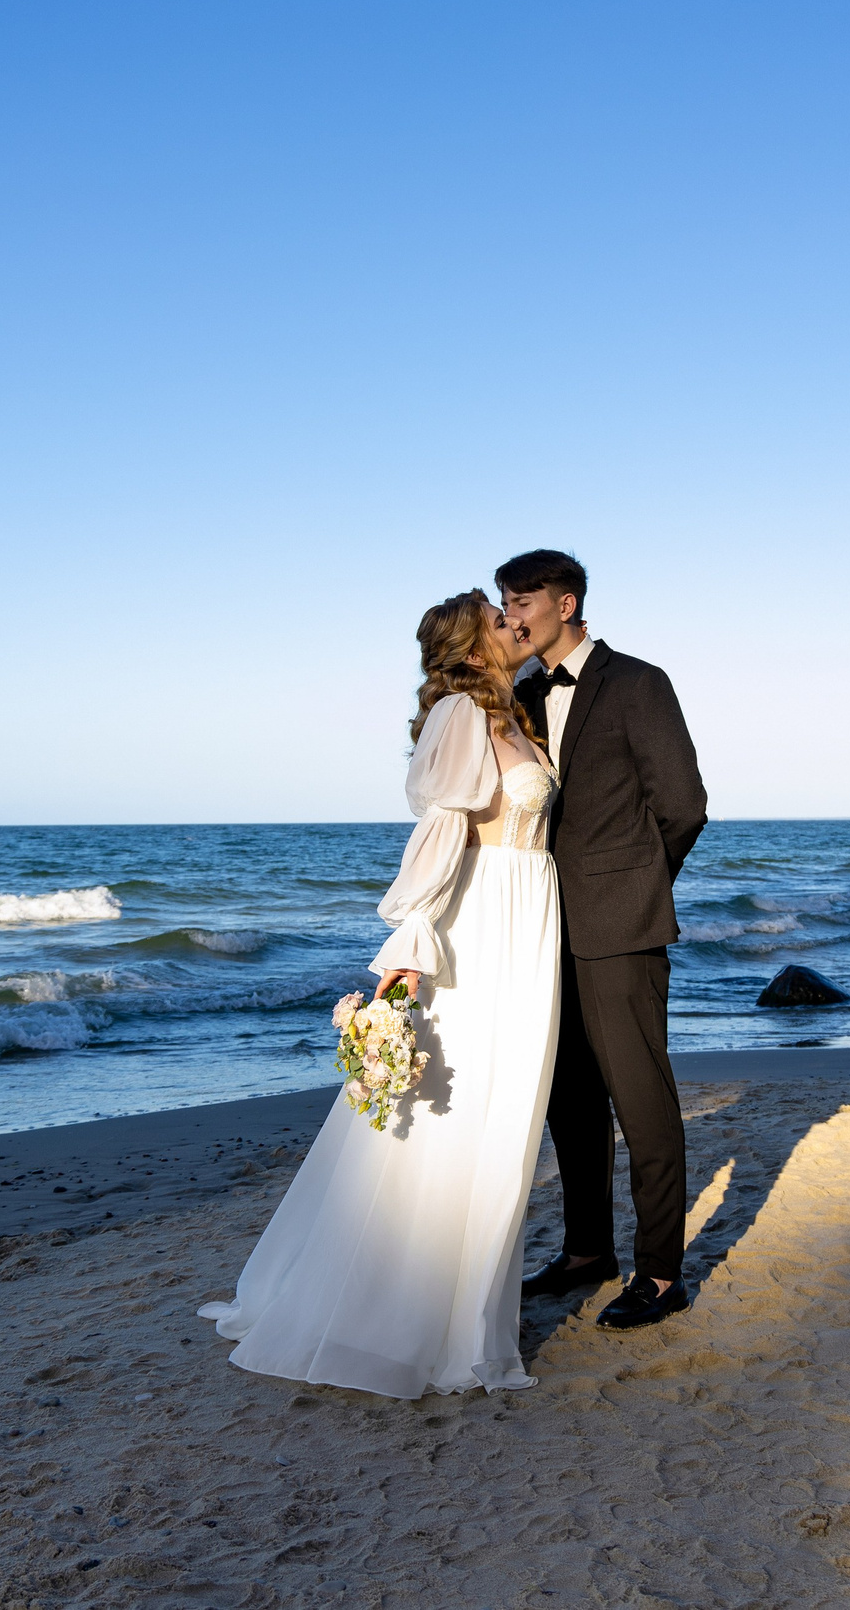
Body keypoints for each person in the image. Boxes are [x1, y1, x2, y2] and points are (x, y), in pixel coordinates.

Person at [197, 590, 563, 1397]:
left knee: (506, 1110)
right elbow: (440, 836)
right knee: (458, 1112)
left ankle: (471, 1305)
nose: (515, 626)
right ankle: (411, 1313)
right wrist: (409, 946)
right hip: (485, 928)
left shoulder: (513, 713)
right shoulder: (461, 716)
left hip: (531, 922)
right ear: (470, 651)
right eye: (500, 621)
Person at [499, 549, 708, 1329]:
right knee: (569, 1098)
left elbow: (683, 804)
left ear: (566, 601)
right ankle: (587, 1249)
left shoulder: (638, 682)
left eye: (521, 601)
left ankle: (660, 1273)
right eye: (504, 603)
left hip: (620, 927)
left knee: (640, 1097)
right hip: (536, 927)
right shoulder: (517, 691)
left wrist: (635, 887)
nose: (511, 615)